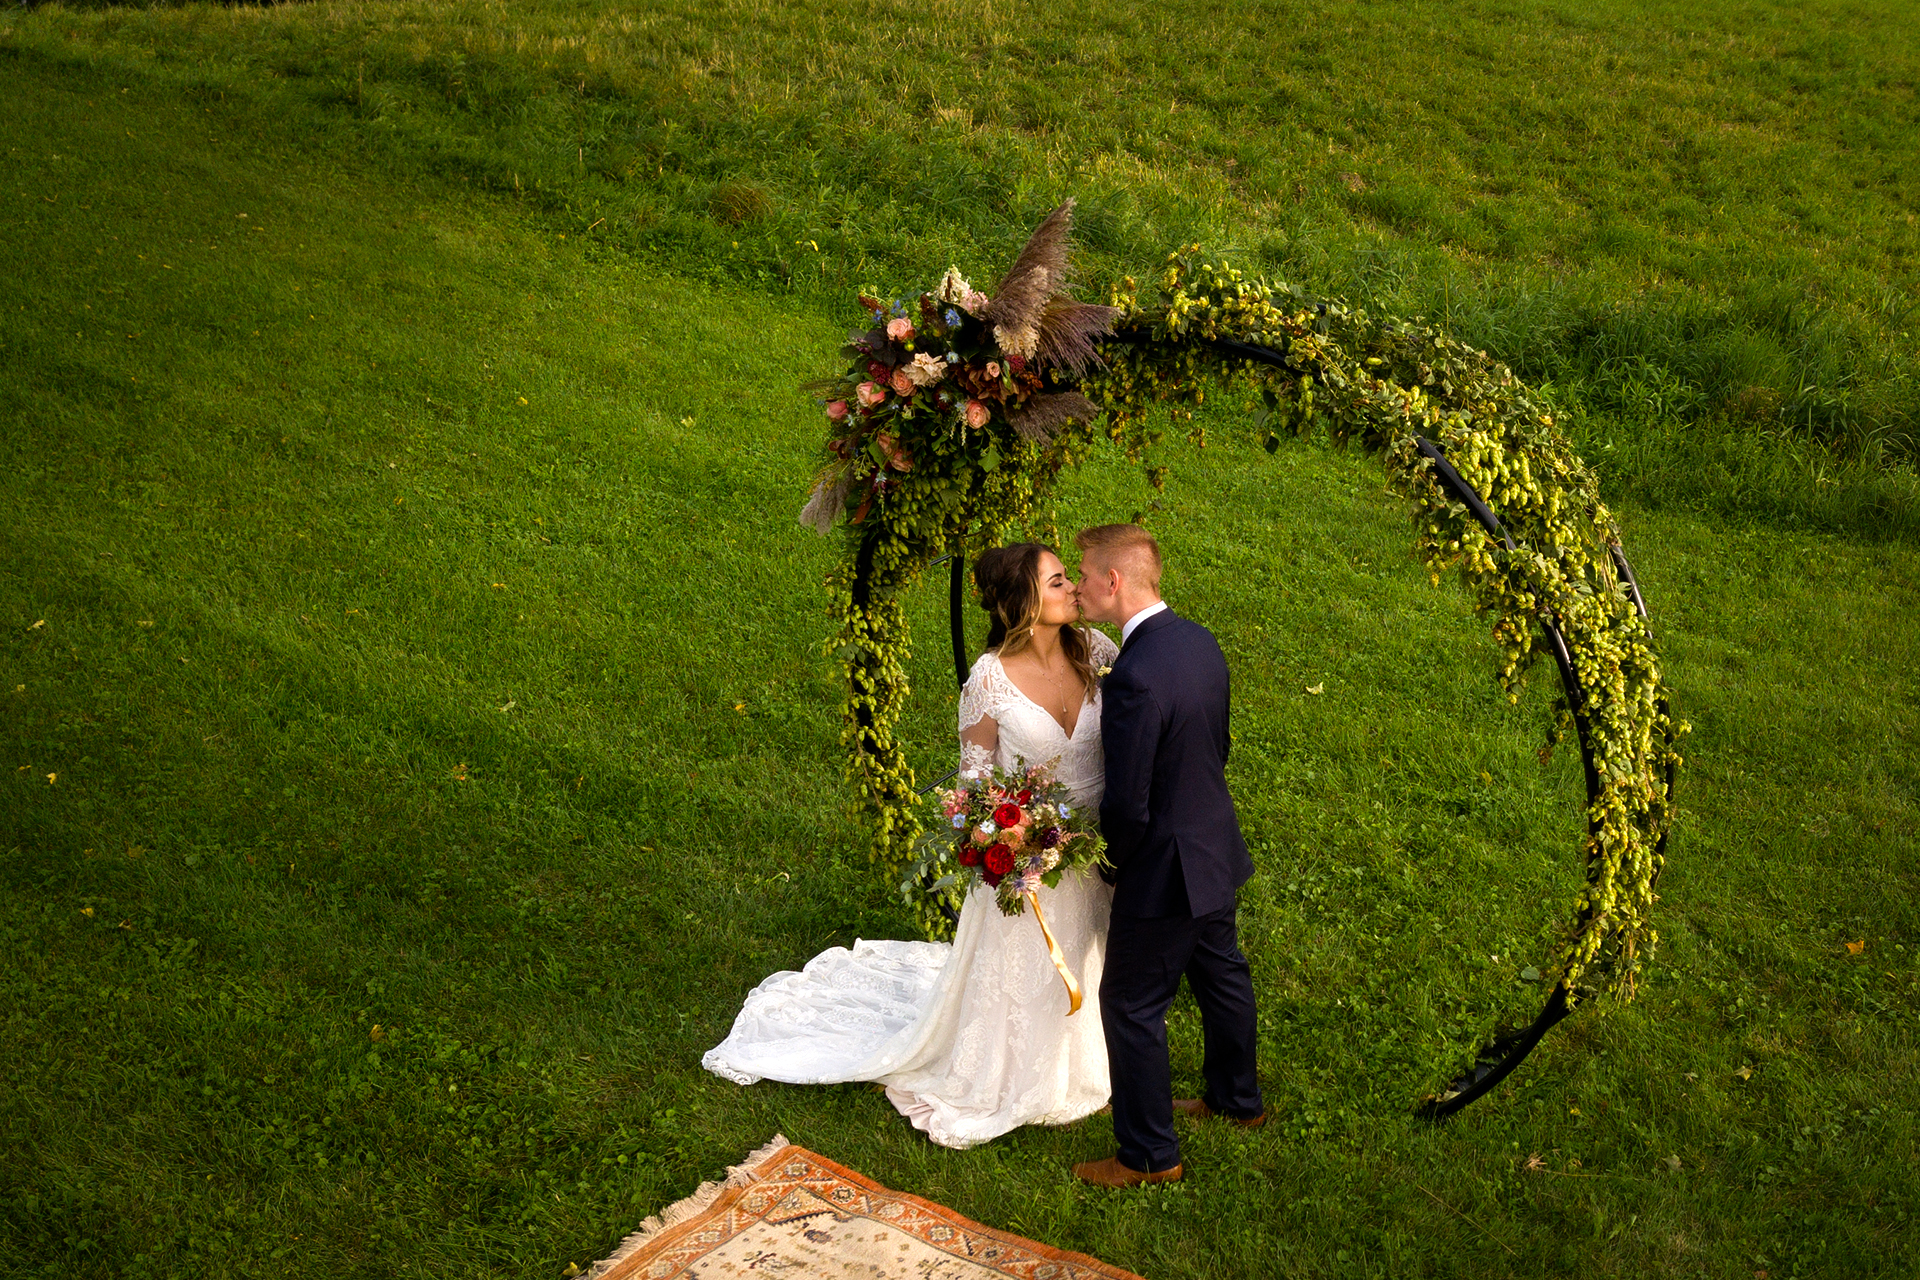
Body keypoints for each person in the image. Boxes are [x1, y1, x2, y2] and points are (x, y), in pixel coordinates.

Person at [701, 543, 1121, 1148]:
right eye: (1057, 582)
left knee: (1093, 957)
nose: (1072, 590)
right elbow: (973, 783)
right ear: (1021, 605)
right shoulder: (989, 682)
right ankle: (1015, 1070)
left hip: (1094, 848)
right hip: (1028, 863)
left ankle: (1098, 1052)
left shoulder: (1098, 655)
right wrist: (1011, 834)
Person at [1069, 523, 1265, 1188]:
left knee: (1129, 1004)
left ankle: (1149, 1155)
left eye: (1085, 574)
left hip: (1166, 869)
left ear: (1114, 581)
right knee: (1220, 976)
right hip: (1213, 844)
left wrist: (1115, 860)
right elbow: (1220, 744)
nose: (1079, 585)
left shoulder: (1136, 677)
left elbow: (1129, 801)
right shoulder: (1196, 641)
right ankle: (1238, 1102)